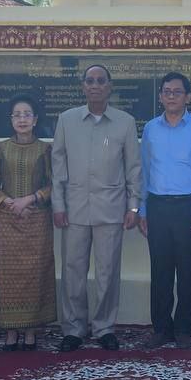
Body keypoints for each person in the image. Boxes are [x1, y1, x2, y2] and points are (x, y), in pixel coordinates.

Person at [51, 65, 141, 352]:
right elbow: (58, 166)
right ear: (83, 86)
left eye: (101, 81)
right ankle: (74, 329)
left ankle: (104, 327)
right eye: (90, 81)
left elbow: (133, 168)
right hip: (74, 209)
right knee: (73, 271)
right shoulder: (66, 120)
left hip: (111, 209)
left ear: (109, 86)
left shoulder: (125, 122)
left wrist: (134, 207)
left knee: (107, 272)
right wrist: (58, 204)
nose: (95, 85)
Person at [138, 72, 191, 349]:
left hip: (187, 206)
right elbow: (144, 171)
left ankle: (183, 328)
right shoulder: (150, 129)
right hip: (157, 206)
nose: (171, 96)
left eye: (177, 92)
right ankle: (161, 328)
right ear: (160, 96)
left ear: (188, 96)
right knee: (160, 270)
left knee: (186, 270)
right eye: (166, 91)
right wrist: (142, 209)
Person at [0, 94, 55, 350]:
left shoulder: (45, 149)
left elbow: (54, 184)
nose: (22, 119)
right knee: (10, 276)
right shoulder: (1, 149)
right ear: (11, 119)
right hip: (8, 221)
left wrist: (31, 199)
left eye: (27, 115)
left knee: (35, 275)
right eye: (17, 115)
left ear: (35, 120)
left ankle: (31, 330)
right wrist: (8, 202)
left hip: (37, 221)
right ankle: (11, 330)